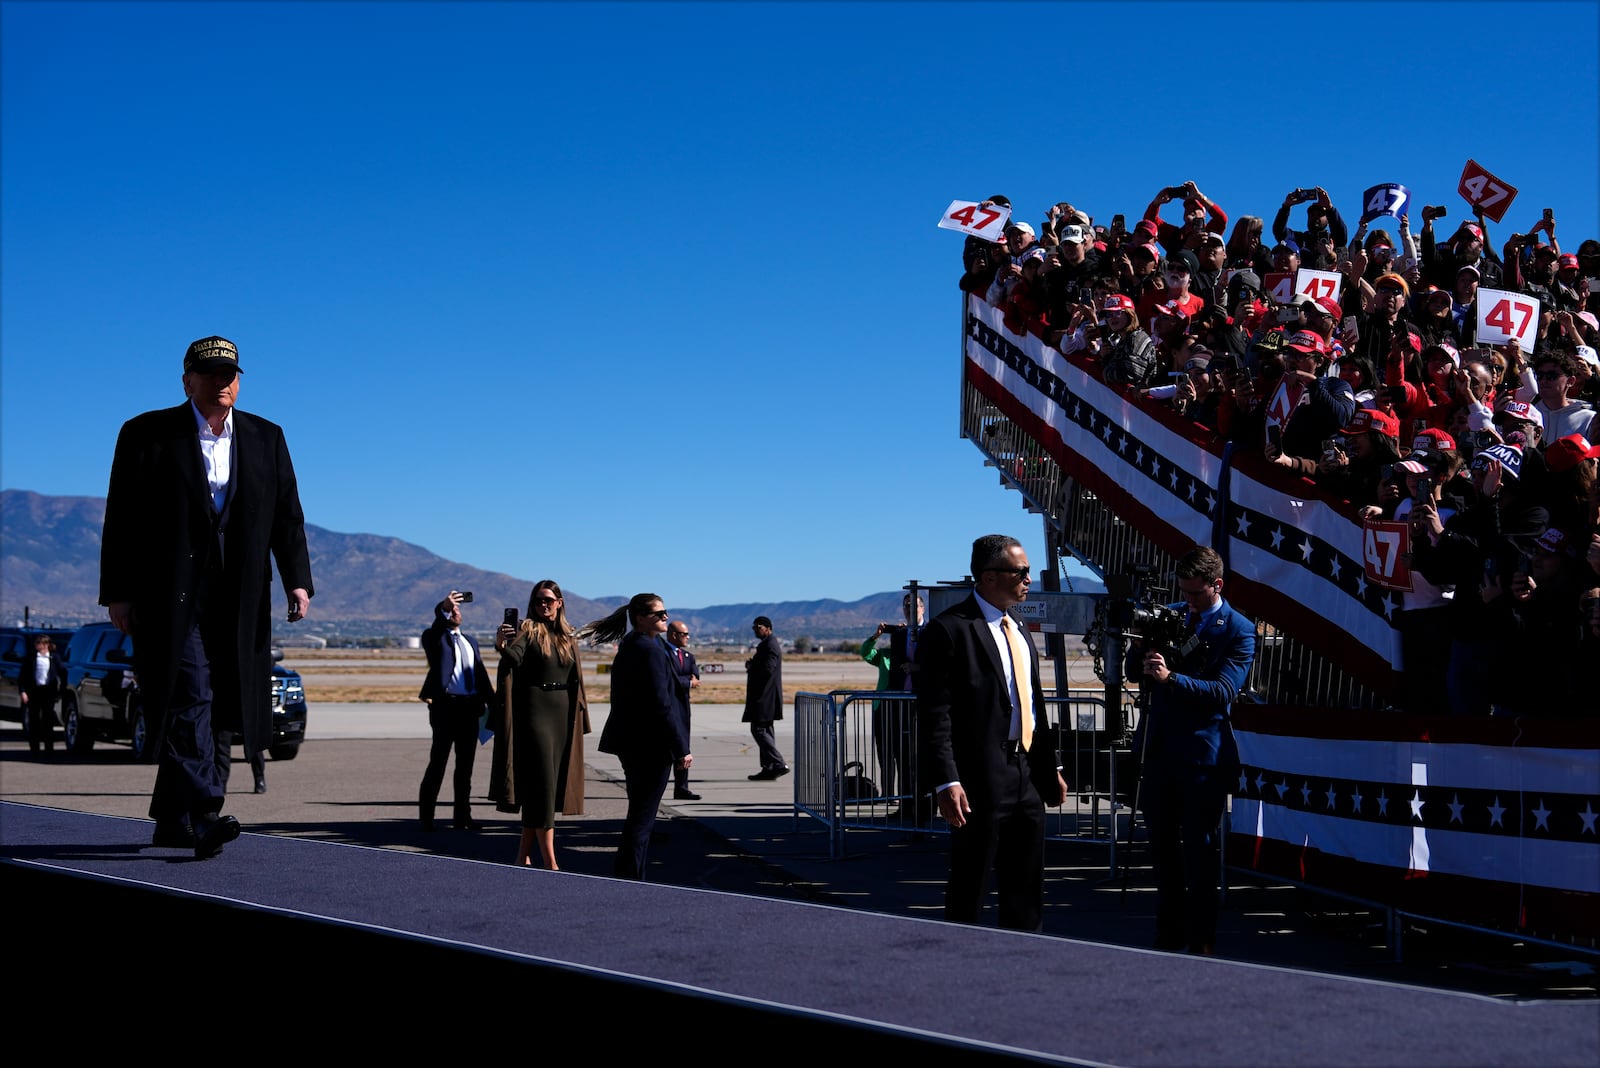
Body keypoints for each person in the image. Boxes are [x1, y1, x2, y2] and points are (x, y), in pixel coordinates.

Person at [100, 335, 313, 859]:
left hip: (239, 594)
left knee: (224, 702)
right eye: (211, 373)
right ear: (187, 380)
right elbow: (121, 517)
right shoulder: (146, 434)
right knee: (189, 691)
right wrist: (118, 594)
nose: (223, 382)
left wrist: (297, 580)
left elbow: (287, 514)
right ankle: (206, 811)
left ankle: (174, 820)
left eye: (231, 374)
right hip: (168, 593)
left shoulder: (267, 437)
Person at [914, 534, 1069, 931]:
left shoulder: (1018, 628)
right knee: (972, 880)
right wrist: (946, 780)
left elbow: (1032, 704)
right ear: (988, 577)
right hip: (978, 776)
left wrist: (1048, 768)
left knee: (1026, 882)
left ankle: (1022, 961)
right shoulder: (949, 630)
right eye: (1020, 572)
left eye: (1028, 571)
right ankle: (961, 965)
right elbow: (935, 715)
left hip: (1026, 773)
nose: (1028, 579)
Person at [1124, 545, 1257, 955]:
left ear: (1217, 585)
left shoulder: (1238, 629)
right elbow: (1134, 672)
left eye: (1196, 594)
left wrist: (1170, 679)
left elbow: (1222, 692)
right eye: (1183, 591)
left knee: (1199, 855)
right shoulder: (1171, 616)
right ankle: (1167, 937)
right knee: (1162, 854)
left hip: (1203, 759)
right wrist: (1143, 652)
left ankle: (1201, 941)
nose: (1189, 601)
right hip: (1159, 752)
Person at [587, 594, 692, 880]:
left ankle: (630, 875)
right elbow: (662, 703)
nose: (665, 618)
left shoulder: (634, 644)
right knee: (642, 820)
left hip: (632, 743)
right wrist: (682, 747)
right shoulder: (648, 649)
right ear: (641, 617)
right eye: (660, 614)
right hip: (651, 746)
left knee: (638, 815)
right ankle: (631, 879)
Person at [492, 580, 590, 868]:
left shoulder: (567, 635)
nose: (543, 605)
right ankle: (551, 860)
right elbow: (513, 657)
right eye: (538, 601)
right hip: (536, 712)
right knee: (543, 785)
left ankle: (522, 854)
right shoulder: (528, 629)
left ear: (560, 602)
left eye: (548, 600)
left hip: (562, 714)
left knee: (542, 787)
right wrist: (500, 645)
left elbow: (577, 679)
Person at [417, 590, 496, 832]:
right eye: (451, 610)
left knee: (465, 767)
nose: (455, 612)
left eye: (458, 609)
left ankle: (462, 817)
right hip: (445, 707)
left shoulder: (470, 641)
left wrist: (494, 704)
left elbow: (480, 675)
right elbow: (438, 626)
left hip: (469, 709)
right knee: (438, 763)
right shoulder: (434, 638)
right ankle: (427, 819)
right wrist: (443, 607)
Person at [858, 592, 924, 798]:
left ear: (923, 608)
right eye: (905, 606)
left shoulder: (922, 635)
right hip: (883, 707)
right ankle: (888, 793)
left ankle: (907, 796)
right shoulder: (885, 656)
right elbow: (866, 653)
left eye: (913, 605)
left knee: (905, 754)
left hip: (904, 705)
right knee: (885, 753)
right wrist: (876, 635)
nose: (909, 609)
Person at [743, 615, 788, 780]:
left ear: (768, 628)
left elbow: (768, 669)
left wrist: (752, 667)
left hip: (765, 697)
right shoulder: (766, 644)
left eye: (759, 627)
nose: (756, 630)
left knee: (759, 730)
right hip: (764, 696)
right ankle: (768, 768)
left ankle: (778, 763)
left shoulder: (770, 645)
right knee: (766, 731)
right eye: (754, 627)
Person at [664, 620, 701, 800]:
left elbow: (696, 678)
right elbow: (671, 679)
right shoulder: (662, 654)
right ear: (673, 635)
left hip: (683, 708)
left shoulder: (688, 656)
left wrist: (687, 681)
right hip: (667, 706)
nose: (688, 637)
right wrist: (687, 681)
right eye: (684, 634)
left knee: (683, 748)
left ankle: (681, 787)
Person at [20, 634, 66, 756]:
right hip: (34, 692)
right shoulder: (30, 658)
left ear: (46, 645)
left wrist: (61, 689)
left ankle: (48, 748)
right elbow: (23, 676)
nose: (37, 646)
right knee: (34, 720)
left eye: (39, 643)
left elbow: (62, 672)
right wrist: (23, 691)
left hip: (48, 692)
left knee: (48, 720)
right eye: (36, 643)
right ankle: (34, 748)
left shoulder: (54, 658)